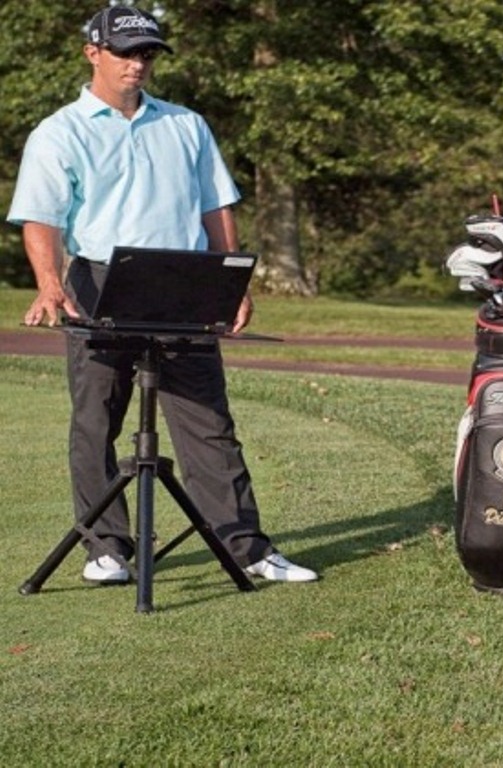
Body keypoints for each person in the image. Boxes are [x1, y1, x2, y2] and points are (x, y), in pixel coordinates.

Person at [7, 6, 318, 585]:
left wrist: (233, 283)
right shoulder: (60, 131)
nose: (137, 63)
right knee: (97, 415)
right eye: (125, 52)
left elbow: (215, 206)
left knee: (207, 420)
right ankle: (106, 548)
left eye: (147, 53)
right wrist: (49, 283)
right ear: (92, 53)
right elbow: (42, 219)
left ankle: (246, 548)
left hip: (185, 283)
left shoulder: (186, 125)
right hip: (99, 281)